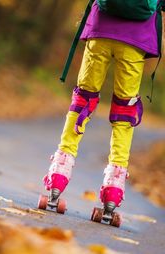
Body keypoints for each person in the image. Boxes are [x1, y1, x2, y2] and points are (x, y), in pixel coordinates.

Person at [38, 0, 163, 226]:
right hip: (136, 40)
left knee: (82, 102)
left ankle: (57, 180)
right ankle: (112, 195)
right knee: (125, 114)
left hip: (101, 31)